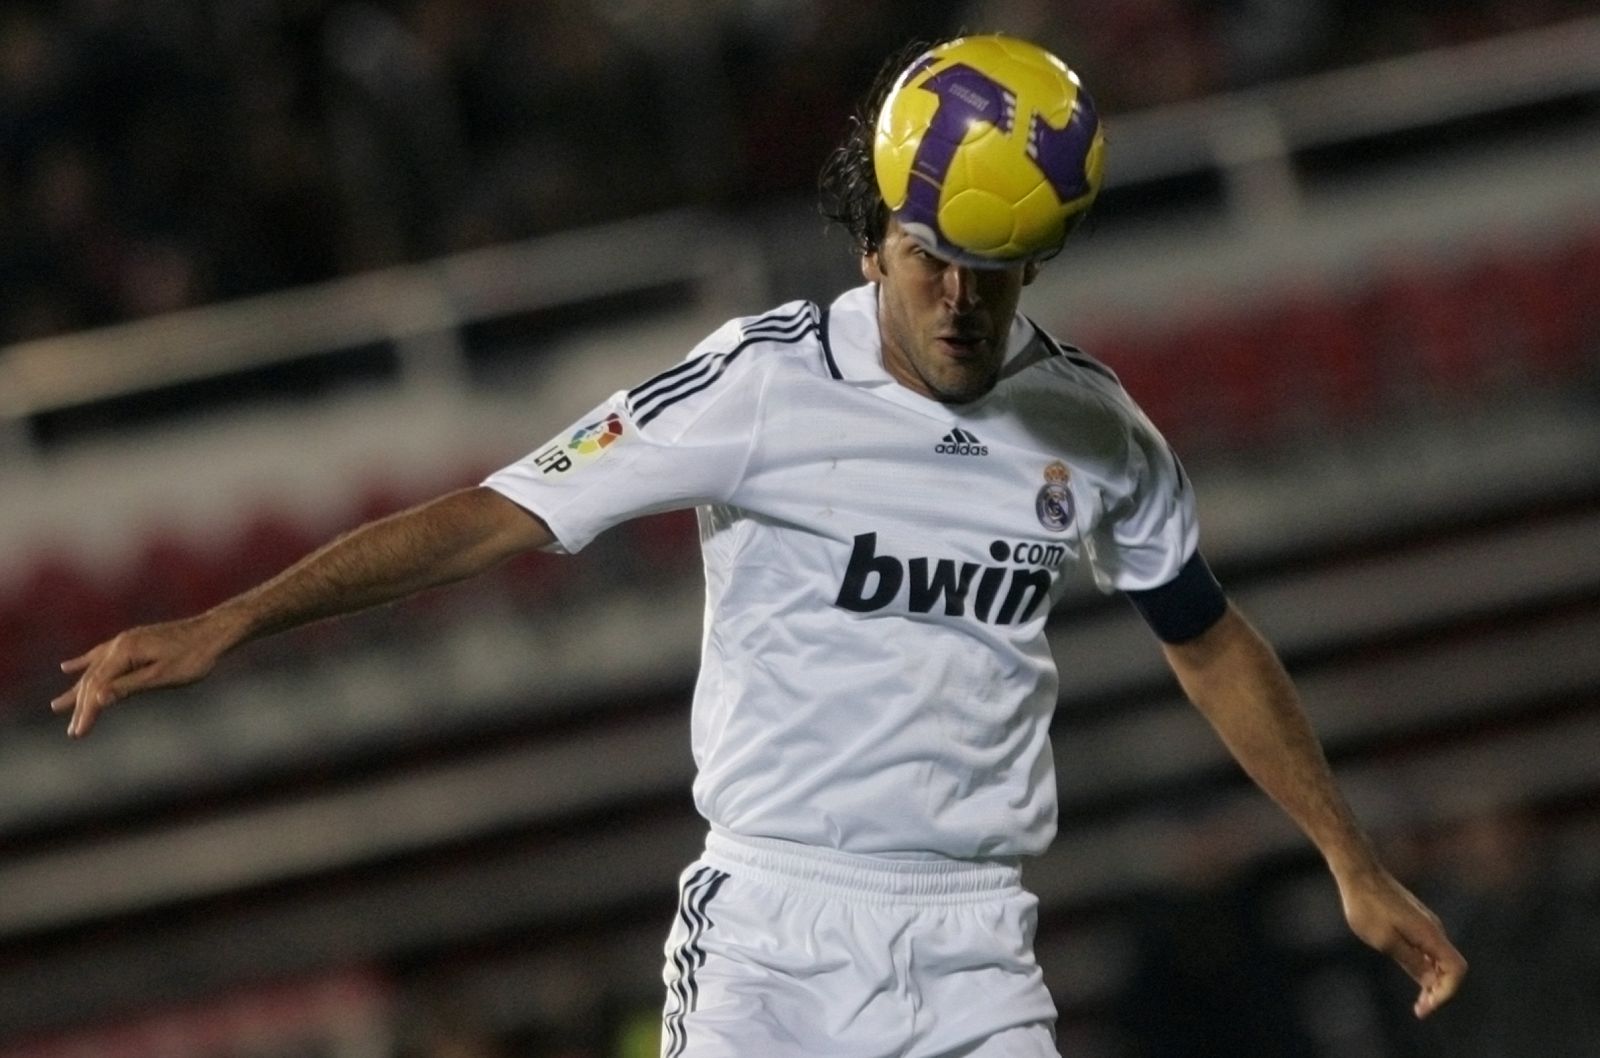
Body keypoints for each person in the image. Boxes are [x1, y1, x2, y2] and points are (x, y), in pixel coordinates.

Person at [51, 35, 1464, 1058]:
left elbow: (1206, 634)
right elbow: (495, 511)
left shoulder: (1097, 428)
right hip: (775, 933)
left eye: (992, 272)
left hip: (975, 941)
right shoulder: (760, 381)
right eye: (929, 261)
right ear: (871, 242)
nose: (959, 300)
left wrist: (1346, 854)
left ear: (1035, 261)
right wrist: (231, 619)